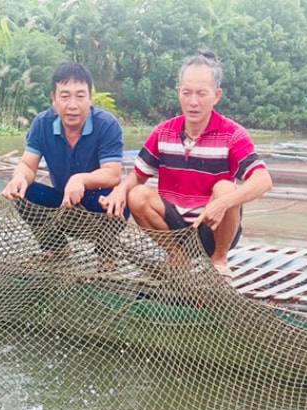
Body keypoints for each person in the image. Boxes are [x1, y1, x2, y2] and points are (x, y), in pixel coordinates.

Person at [101, 51, 272, 281]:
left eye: (201, 93)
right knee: (137, 195)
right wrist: (121, 190)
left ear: (216, 95)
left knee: (225, 188)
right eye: (187, 93)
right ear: (178, 93)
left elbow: (263, 180)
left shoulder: (232, 134)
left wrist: (222, 203)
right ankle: (177, 256)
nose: (193, 102)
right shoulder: (164, 132)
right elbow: (138, 175)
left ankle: (219, 260)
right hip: (176, 227)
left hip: (213, 226)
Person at [2, 62, 126, 256]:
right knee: (25, 193)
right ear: (54, 98)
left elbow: (112, 174)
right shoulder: (42, 124)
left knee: (120, 203)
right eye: (65, 96)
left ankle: (105, 253)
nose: (72, 105)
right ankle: (56, 248)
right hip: (62, 203)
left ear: (90, 98)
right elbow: (27, 165)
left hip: (96, 202)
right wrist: (19, 177)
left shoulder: (107, 125)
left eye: (80, 96)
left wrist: (81, 180)